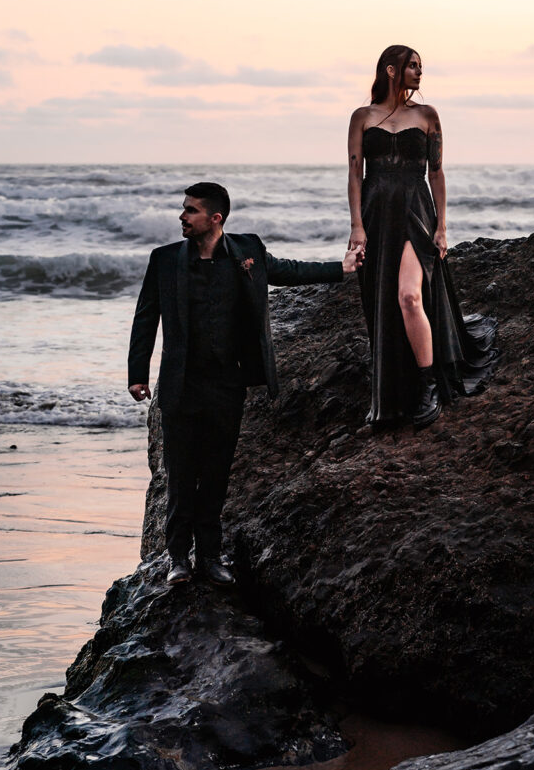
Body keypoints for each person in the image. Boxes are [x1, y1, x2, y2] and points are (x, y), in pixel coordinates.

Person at [128, 181, 363, 587]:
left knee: (217, 474)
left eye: (190, 210)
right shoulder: (165, 259)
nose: (182, 216)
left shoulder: (248, 251)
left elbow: (289, 271)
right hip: (181, 384)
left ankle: (212, 557)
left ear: (215, 218)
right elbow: (146, 316)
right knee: (181, 475)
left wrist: (341, 270)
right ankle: (179, 559)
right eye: (183, 209)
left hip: (227, 384)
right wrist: (137, 374)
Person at [347, 45, 499, 428]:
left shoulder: (428, 115)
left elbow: (437, 173)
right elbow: (355, 175)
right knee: (386, 303)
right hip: (377, 214)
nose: (418, 72)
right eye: (412, 65)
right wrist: (356, 226)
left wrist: (442, 226)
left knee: (410, 297)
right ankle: (398, 387)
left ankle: (427, 385)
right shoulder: (362, 117)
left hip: (417, 210)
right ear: (391, 70)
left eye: (420, 66)